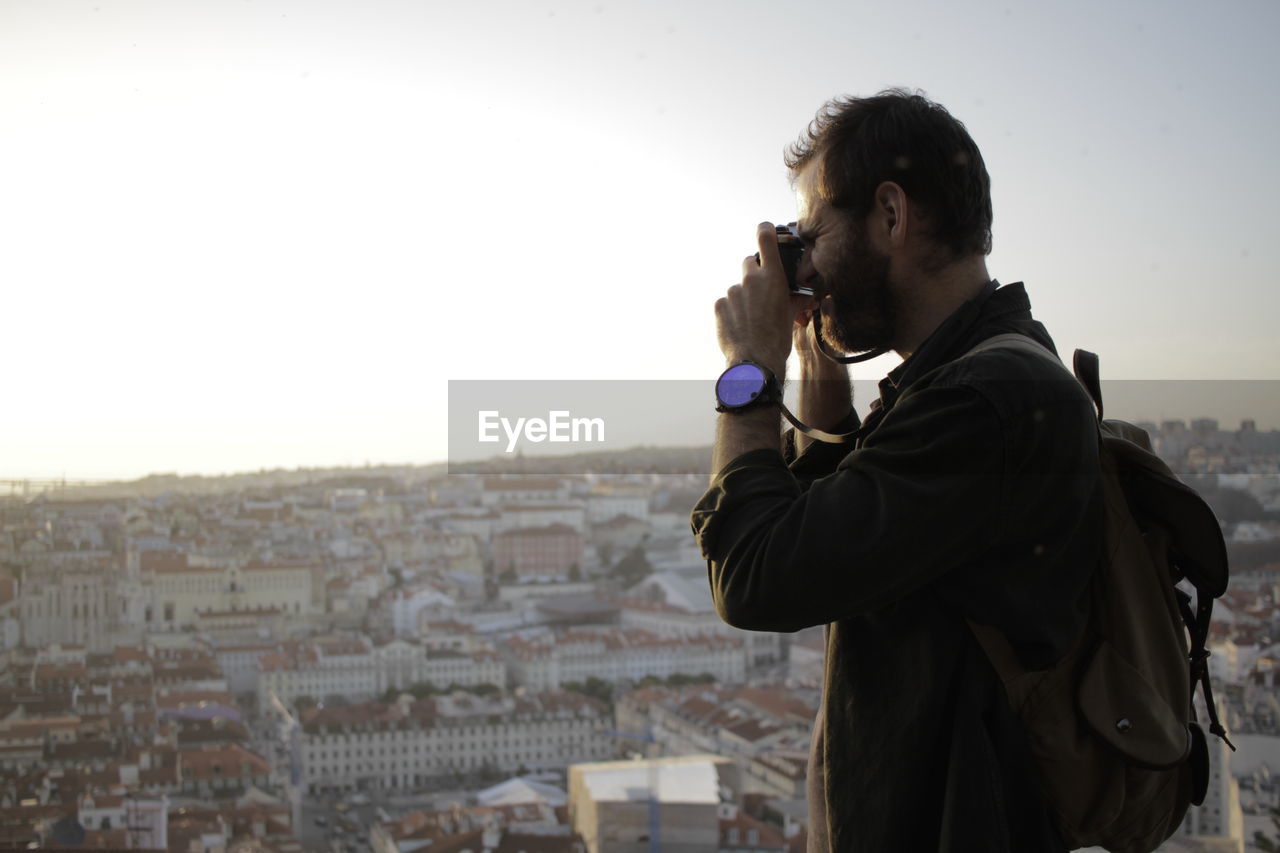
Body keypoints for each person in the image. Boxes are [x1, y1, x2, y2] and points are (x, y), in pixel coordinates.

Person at [691, 89, 1104, 852]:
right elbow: (845, 553)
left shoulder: (987, 402)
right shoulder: (968, 381)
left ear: (890, 215)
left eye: (812, 234)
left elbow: (754, 572)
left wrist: (748, 374)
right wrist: (822, 400)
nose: (806, 265)